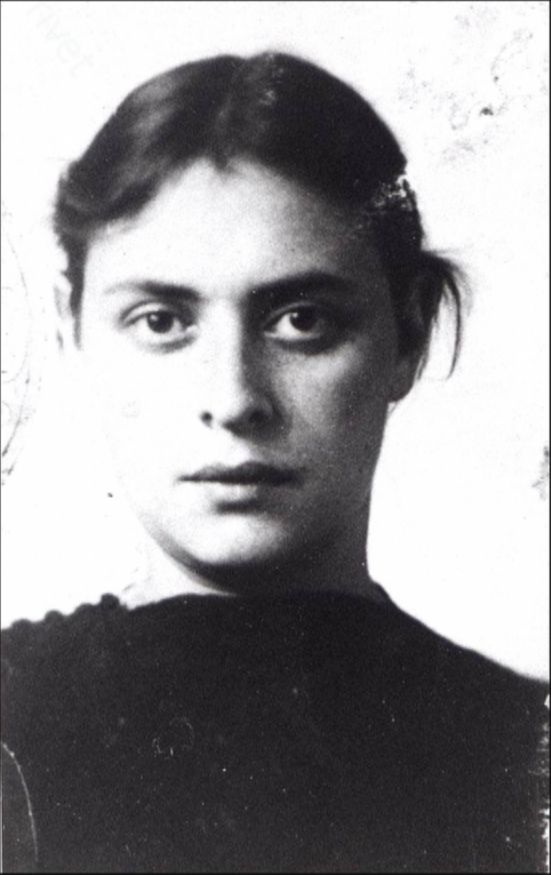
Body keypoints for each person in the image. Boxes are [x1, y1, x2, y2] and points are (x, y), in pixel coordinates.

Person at [1, 51, 547, 873]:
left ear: (410, 333)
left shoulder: (524, 752)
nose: (233, 398)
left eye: (301, 319)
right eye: (161, 321)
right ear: (71, 334)